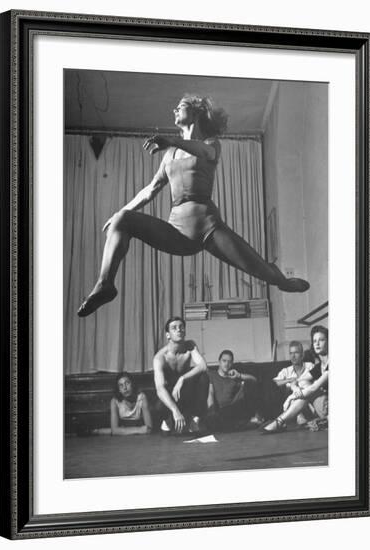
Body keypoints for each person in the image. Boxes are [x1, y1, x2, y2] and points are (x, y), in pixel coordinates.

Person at [77, 94, 309, 317]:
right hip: (177, 232)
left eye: (181, 105)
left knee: (259, 268)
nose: (175, 110)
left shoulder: (210, 144)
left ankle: (283, 282)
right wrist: (121, 212)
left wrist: (173, 141)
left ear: (196, 112)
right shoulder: (170, 153)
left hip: (210, 228)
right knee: (122, 219)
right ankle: (105, 285)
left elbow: (203, 151)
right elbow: (151, 189)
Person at [261, 326, 329, 434]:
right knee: (304, 387)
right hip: (320, 407)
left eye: (321, 340)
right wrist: (294, 386)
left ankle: (279, 422)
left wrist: (291, 397)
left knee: (308, 390)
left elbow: (313, 388)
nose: (317, 343)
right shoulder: (318, 367)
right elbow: (300, 380)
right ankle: (281, 421)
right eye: (315, 341)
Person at [153, 316, 209, 434]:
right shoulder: (160, 358)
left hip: (184, 391)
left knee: (204, 377)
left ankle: (195, 418)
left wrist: (182, 379)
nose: (179, 330)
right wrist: (174, 411)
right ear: (168, 335)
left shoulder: (190, 346)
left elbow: (203, 366)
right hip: (169, 395)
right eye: (174, 328)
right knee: (158, 406)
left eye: (181, 327)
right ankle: (167, 419)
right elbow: (160, 388)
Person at [207, 349, 263, 431]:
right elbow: (210, 393)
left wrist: (239, 375)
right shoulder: (212, 375)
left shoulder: (234, 377)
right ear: (219, 362)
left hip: (234, 409)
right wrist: (211, 411)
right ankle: (247, 423)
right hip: (219, 411)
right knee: (216, 420)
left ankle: (250, 420)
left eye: (229, 362)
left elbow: (254, 380)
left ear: (232, 363)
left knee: (247, 384)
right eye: (224, 361)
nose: (226, 364)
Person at [273, 341, 314, 425]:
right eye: (291, 353)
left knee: (304, 383)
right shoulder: (286, 371)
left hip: (309, 403)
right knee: (291, 387)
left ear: (302, 355)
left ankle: (298, 417)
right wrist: (289, 380)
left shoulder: (310, 366)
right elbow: (275, 383)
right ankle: (299, 416)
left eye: (296, 353)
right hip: (293, 404)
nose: (293, 356)